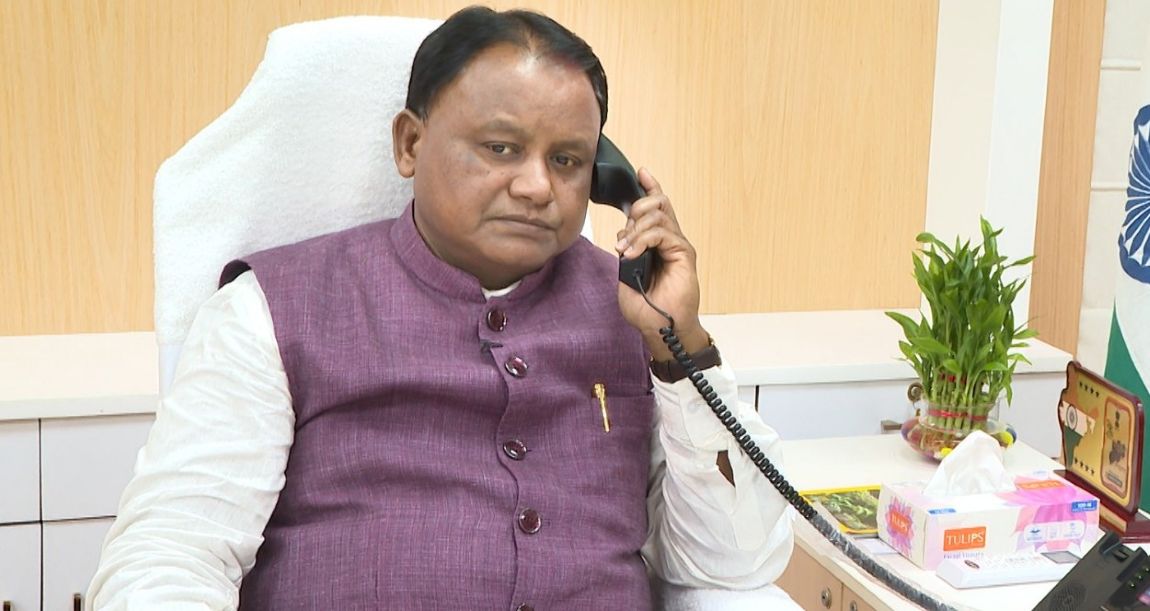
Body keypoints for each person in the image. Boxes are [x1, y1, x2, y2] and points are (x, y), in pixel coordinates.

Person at [89, 7, 796, 610]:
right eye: (501, 148)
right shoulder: (271, 310)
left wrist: (679, 346)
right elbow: (171, 552)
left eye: (567, 160)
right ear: (410, 143)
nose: (536, 186)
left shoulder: (633, 311)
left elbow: (733, 565)